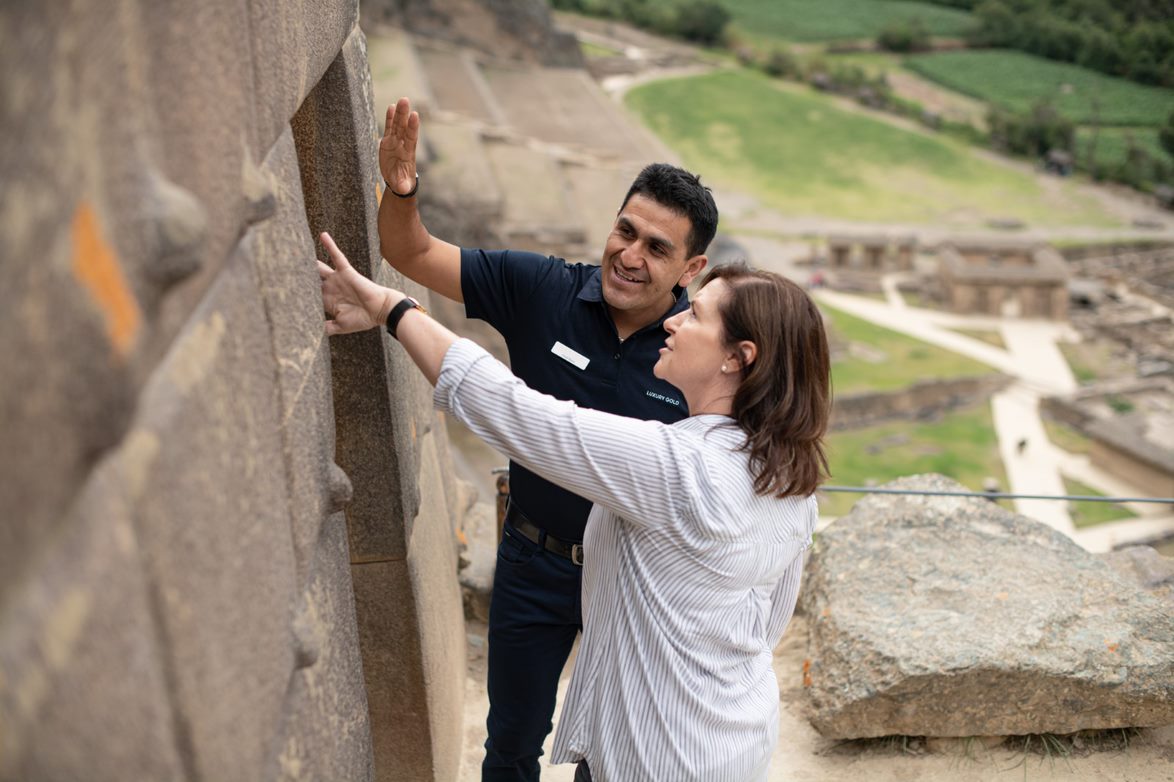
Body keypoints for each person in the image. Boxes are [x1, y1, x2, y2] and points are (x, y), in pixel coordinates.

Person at [318, 231, 831, 781]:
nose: (674, 322)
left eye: (697, 316)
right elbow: (764, 624)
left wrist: (392, 309)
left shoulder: (681, 469)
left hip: (657, 757)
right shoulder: (790, 481)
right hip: (735, 740)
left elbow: (518, 414)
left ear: (738, 358)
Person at [376, 96, 719, 780]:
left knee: (616, 753)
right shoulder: (543, 289)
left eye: (657, 248)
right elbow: (407, 251)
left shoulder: (699, 350)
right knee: (510, 745)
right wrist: (401, 187)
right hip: (534, 564)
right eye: (625, 230)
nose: (629, 255)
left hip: (636, 581)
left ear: (691, 270)